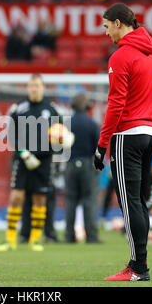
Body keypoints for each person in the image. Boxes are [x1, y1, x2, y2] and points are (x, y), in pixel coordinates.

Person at [93, 3, 152, 281]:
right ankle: (139, 265)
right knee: (139, 202)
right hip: (150, 132)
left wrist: (102, 144)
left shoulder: (121, 57)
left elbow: (116, 104)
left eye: (107, 27)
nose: (106, 33)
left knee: (129, 202)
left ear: (119, 23)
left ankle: (137, 268)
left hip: (127, 135)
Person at [0, 73, 62, 252]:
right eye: (32, 86)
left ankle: (35, 239)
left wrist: (63, 140)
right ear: (28, 88)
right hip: (23, 159)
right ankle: (10, 239)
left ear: (43, 88)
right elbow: (11, 134)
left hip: (44, 160)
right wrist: (23, 152)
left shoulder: (52, 109)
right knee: (16, 196)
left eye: (37, 86)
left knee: (40, 199)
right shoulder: (18, 108)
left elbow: (59, 133)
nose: (34, 89)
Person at [64, 94, 101, 244]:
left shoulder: (67, 124)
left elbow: (60, 146)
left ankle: (69, 236)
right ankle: (91, 236)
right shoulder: (92, 124)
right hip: (87, 165)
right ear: (87, 106)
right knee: (89, 200)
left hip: (71, 165)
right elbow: (98, 148)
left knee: (71, 200)